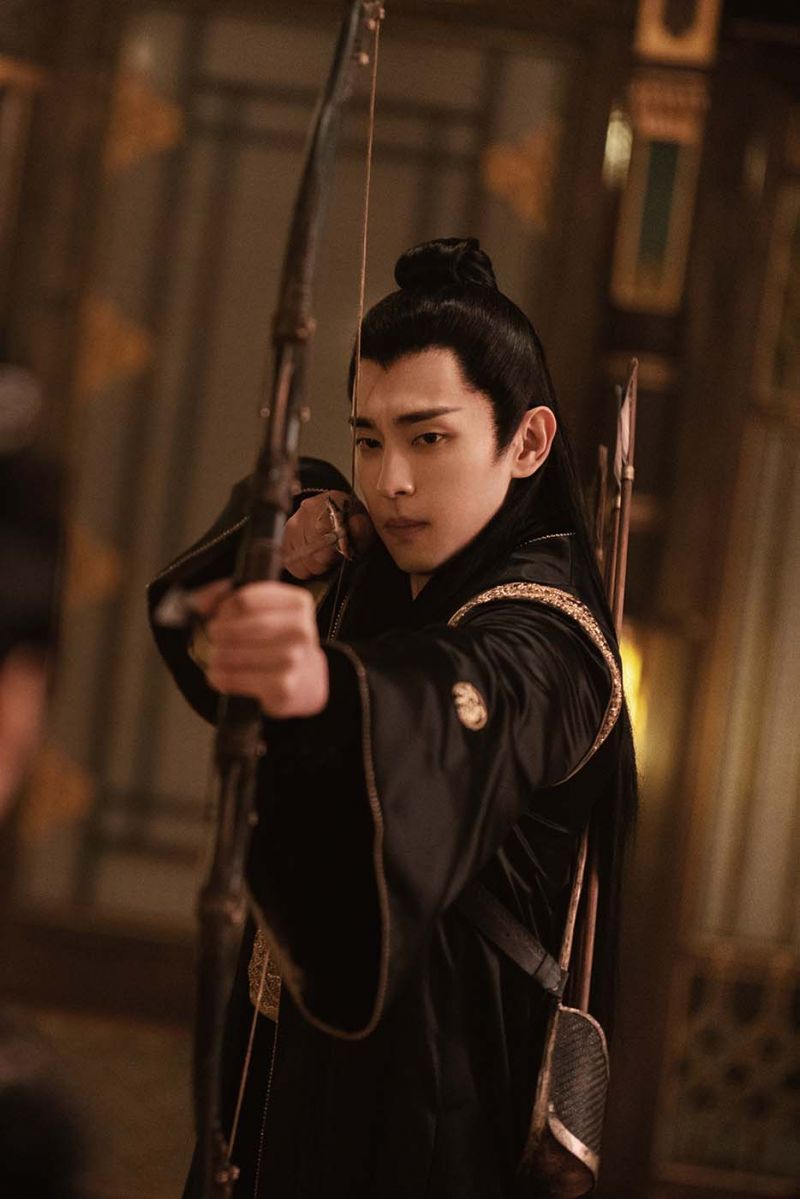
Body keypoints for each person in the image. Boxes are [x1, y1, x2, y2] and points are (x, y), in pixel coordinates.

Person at [149, 237, 637, 1198]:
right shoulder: (367, 562)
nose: (391, 480)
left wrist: (325, 688)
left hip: (436, 1098)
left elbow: (463, 690)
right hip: (290, 1066)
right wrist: (281, 549)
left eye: (430, 438)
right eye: (370, 440)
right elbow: (187, 623)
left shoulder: (553, 635)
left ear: (528, 443)